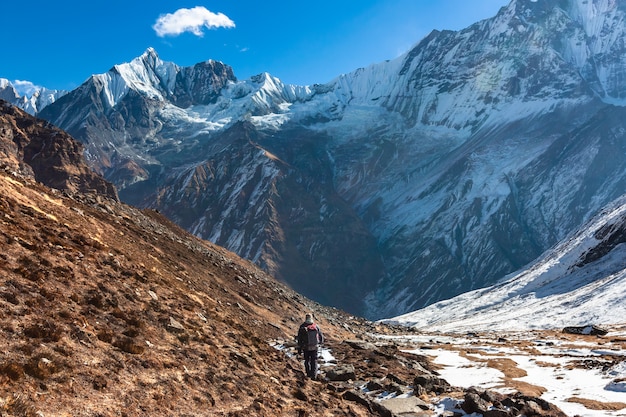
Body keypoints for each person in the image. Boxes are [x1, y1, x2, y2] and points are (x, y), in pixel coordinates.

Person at [297, 313, 324, 379]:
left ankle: (308, 374)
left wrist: (299, 348)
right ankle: (314, 375)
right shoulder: (316, 326)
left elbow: (299, 338)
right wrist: (320, 342)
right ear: (312, 318)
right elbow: (321, 336)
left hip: (306, 347)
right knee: (314, 360)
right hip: (315, 346)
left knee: (307, 360)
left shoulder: (302, 326)